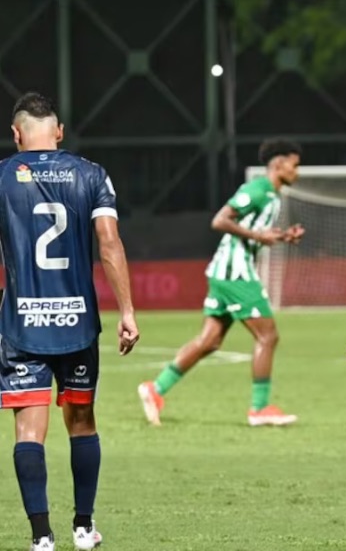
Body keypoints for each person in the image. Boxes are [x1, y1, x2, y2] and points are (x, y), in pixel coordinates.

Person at [0, 92, 139, 551]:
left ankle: (42, 538)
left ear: (16, 134)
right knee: (82, 422)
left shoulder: (2, 177)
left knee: (28, 431)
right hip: (78, 324)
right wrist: (128, 311)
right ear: (59, 132)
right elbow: (110, 244)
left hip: (22, 325)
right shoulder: (91, 174)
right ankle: (83, 527)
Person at [138, 139, 304, 427]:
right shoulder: (258, 190)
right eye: (294, 164)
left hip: (224, 270)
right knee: (268, 336)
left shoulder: (272, 196)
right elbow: (221, 220)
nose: (297, 171)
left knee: (209, 341)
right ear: (278, 164)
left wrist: (281, 236)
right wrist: (258, 237)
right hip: (234, 272)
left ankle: (156, 389)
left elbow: (254, 231)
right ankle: (259, 409)